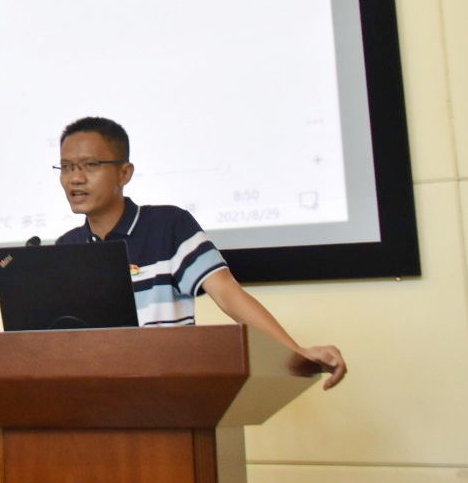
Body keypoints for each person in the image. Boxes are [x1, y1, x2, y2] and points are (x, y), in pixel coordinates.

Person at [55, 116, 347, 388]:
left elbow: (226, 293)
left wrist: (294, 350)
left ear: (124, 173)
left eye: (90, 165)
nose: (75, 178)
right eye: (66, 167)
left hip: (168, 391)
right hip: (96, 395)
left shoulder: (168, 226)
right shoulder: (66, 248)